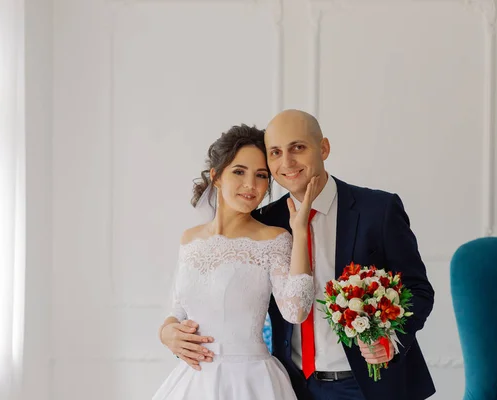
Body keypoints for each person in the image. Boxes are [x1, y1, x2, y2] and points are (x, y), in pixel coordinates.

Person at [161, 110, 436, 400]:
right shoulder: (266, 221)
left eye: (298, 148)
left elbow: (418, 290)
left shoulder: (378, 210)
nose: (287, 162)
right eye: (276, 153)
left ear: (324, 148)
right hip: (293, 387)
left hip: (368, 384)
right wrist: (168, 332)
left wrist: (388, 341)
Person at [152, 124, 320, 400]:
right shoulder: (189, 240)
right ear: (216, 176)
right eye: (239, 171)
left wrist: (299, 231)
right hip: (194, 382)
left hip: (252, 382)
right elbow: (178, 310)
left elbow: (296, 311)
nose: (251, 185)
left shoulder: (275, 238)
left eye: (261, 175)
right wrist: (166, 333)